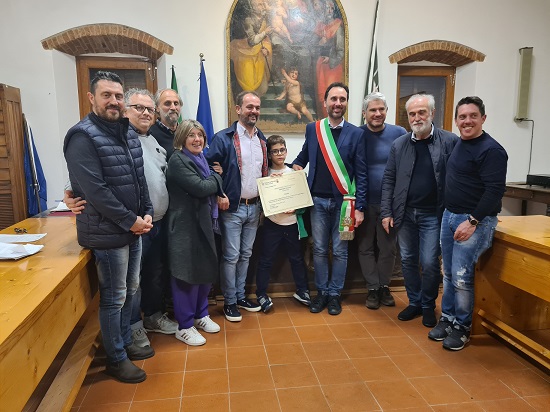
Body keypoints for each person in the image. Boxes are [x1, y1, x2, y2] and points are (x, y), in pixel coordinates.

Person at [64, 89, 179, 348]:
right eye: (139, 108)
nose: (146, 113)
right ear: (125, 111)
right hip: (129, 227)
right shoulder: (112, 139)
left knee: (154, 275)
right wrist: (69, 193)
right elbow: (87, 178)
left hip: (157, 221)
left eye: (150, 109)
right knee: (130, 285)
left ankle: (151, 317)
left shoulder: (156, 141)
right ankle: (133, 329)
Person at [63, 71, 154, 384]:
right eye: (107, 95)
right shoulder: (82, 136)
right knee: (114, 298)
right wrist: (131, 221)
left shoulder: (127, 132)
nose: (113, 101)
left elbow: (138, 179)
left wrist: (148, 213)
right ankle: (116, 358)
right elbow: (96, 189)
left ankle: (126, 342)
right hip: (107, 233)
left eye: (118, 96)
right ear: (91, 98)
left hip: (133, 229)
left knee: (130, 290)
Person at [428, 96, 507, 350]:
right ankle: (449, 318)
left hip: (473, 221)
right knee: (449, 274)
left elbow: (494, 191)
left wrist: (472, 221)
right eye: (462, 117)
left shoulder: (492, 150)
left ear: (483, 118)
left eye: (473, 116)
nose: (467, 121)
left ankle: (462, 326)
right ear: (456, 120)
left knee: (462, 278)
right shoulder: (460, 144)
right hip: (450, 216)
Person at [380, 94, 459, 328]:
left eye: (421, 112)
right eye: (412, 114)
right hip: (405, 213)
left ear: (432, 113)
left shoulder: (449, 141)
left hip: (434, 215)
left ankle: (428, 305)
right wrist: (387, 212)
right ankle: (414, 302)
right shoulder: (399, 144)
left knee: (430, 261)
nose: (416, 117)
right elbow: (389, 179)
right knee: (408, 260)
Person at [292, 82, 367, 315]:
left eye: (342, 99)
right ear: (324, 103)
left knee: (342, 251)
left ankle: (335, 295)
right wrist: (286, 175)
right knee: (320, 250)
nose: (337, 103)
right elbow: (302, 158)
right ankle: (322, 292)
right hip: (317, 203)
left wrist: (360, 208)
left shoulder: (357, 133)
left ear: (346, 103)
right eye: (333, 99)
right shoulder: (313, 129)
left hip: (346, 204)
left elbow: (362, 172)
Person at [206, 91, 268, 322]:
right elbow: (208, 168)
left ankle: (241, 296)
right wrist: (219, 192)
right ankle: (229, 301)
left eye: (257, 107)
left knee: (246, 254)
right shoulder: (224, 138)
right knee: (231, 255)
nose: (254, 111)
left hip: (255, 208)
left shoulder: (261, 138)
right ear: (238, 109)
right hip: (232, 208)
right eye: (249, 107)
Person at [166, 120, 225, 346]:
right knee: (186, 275)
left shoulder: (200, 159)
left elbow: (206, 182)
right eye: (191, 135)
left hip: (202, 223)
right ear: (182, 138)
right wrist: (217, 177)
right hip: (184, 227)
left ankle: (201, 315)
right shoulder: (178, 160)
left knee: (203, 270)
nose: (197, 139)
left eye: (200, 135)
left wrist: (212, 178)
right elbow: (201, 188)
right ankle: (185, 325)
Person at [356, 92, 406, 310]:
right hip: (363, 203)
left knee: (388, 248)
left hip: (390, 205)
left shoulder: (400, 133)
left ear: (386, 111)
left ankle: (384, 286)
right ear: (364, 113)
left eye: (381, 109)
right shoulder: (356, 134)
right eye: (372, 110)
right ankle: (373, 288)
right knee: (365, 246)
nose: (377, 114)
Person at [255, 135, 311, 312]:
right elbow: (261, 202)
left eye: (282, 150)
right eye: (275, 151)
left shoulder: (295, 173)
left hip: (293, 224)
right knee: (266, 260)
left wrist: (295, 209)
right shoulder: (264, 175)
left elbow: (304, 202)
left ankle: (302, 290)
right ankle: (261, 293)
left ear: (286, 151)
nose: (279, 154)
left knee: (297, 258)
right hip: (272, 224)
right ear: (269, 154)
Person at [149, 88, 182, 158]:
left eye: (176, 103)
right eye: (167, 103)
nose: (173, 107)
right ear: (157, 108)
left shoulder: (185, 133)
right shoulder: (150, 135)